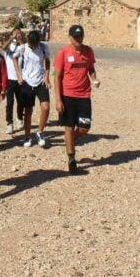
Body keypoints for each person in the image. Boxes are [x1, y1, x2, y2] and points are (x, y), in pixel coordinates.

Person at [54, 25, 99, 174]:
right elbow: (57, 77)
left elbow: (91, 68)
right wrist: (58, 99)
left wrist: (94, 78)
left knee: (85, 127)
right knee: (68, 126)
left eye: (80, 36)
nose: (78, 39)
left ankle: (69, 140)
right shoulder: (63, 53)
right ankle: (71, 158)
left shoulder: (88, 51)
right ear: (70, 38)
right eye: (75, 37)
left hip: (84, 94)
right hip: (68, 95)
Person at [13, 30, 51, 148]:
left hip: (40, 81)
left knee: (46, 107)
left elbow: (48, 61)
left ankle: (39, 132)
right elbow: (14, 58)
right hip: (27, 82)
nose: (33, 47)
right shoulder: (23, 48)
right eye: (31, 44)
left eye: (35, 45)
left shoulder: (44, 47)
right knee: (28, 111)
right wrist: (19, 75)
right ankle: (27, 136)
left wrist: (47, 77)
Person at [2, 28, 25, 135]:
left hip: (20, 78)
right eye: (16, 33)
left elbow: (25, 51)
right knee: (9, 102)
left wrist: (21, 41)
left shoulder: (22, 47)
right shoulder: (9, 47)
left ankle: (20, 118)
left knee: (21, 101)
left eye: (19, 33)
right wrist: (12, 38)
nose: (17, 34)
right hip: (10, 79)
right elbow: (3, 47)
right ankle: (9, 123)